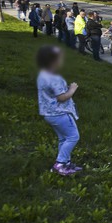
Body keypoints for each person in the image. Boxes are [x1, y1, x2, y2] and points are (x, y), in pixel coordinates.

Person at [36, 45, 81, 176]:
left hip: (48, 113)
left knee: (63, 138)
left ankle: (66, 163)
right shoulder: (54, 79)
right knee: (73, 137)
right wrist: (72, 89)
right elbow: (62, 98)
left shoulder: (42, 75)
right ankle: (60, 164)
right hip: (60, 113)